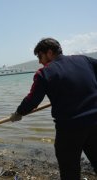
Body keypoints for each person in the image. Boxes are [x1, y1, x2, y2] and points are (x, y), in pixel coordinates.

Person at [10, 37, 97, 179]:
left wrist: (18, 112)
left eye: (40, 56)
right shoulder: (84, 60)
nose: (39, 61)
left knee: (70, 171)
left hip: (70, 129)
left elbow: (32, 100)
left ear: (49, 52)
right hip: (95, 123)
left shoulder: (44, 73)